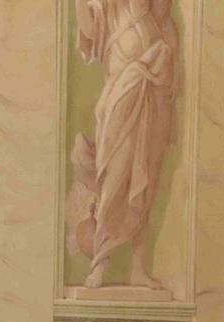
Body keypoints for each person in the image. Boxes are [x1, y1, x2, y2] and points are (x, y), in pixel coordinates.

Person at [68, 0, 177, 289]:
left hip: (152, 90)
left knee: (146, 182)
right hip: (121, 92)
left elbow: (165, 21)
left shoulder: (153, 14)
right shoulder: (108, 8)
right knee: (115, 179)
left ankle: (138, 267)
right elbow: (89, 33)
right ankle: (101, 262)